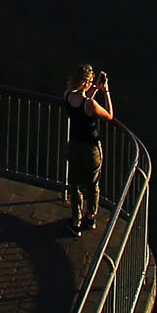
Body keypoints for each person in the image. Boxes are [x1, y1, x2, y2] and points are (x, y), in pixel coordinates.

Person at [63, 65, 115, 232]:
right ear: (87, 82)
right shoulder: (90, 104)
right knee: (92, 184)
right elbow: (109, 115)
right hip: (91, 148)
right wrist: (105, 91)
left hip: (74, 146)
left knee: (75, 184)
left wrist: (94, 89)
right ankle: (90, 217)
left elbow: (82, 103)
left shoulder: (67, 97)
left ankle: (75, 221)